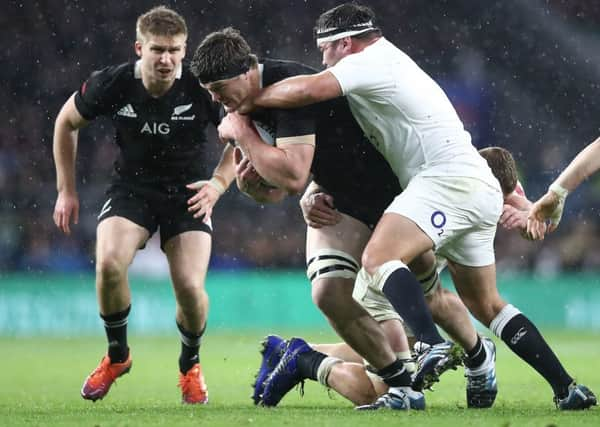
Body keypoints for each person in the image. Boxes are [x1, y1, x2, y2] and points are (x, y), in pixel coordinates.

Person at [249, 3, 597, 410]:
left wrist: (250, 101)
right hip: (473, 180)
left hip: (442, 180)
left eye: (325, 50)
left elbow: (308, 89)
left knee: (378, 258)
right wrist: (516, 194)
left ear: (344, 43)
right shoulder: (388, 68)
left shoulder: (369, 60)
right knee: (486, 304)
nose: (322, 60)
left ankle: (431, 345)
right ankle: (565, 388)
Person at [190, 27, 475, 411]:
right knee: (329, 293)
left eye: (219, 88)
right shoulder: (238, 104)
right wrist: (252, 185)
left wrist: (245, 137)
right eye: (209, 91)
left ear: (246, 72)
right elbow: (278, 188)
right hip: (342, 201)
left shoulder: (289, 90)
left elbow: (292, 174)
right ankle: (402, 383)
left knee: (432, 298)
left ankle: (472, 357)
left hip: (396, 195)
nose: (215, 99)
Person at [52, 6, 235, 404]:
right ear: (140, 48)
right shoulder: (113, 83)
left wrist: (219, 185)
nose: (166, 59)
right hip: (131, 189)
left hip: (188, 194)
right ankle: (118, 357)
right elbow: (65, 122)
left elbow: (244, 135)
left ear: (185, 51)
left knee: (189, 287)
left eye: (174, 50)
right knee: (108, 263)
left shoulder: (204, 89)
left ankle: (190, 365)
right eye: (157, 50)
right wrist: (66, 190)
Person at [254, 146, 533, 408]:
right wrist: (314, 188)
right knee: (382, 391)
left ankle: (293, 351)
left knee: (417, 323)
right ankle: (305, 361)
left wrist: (530, 210)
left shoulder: (476, 186)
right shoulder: (433, 186)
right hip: (382, 288)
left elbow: (519, 197)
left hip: (408, 293)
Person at [527, 137, 600, 239]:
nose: (550, 157)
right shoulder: (538, 177)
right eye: (548, 153)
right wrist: (556, 193)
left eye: (553, 152)